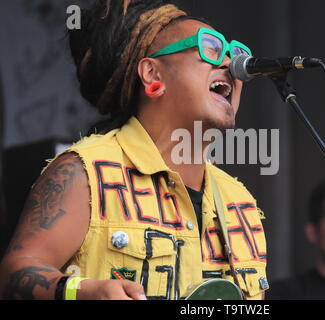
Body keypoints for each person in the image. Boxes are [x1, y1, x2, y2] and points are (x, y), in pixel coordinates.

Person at [0, 0, 267, 300]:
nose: (231, 65)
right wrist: (83, 291)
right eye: (212, 48)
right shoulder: (86, 173)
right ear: (153, 75)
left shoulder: (240, 203)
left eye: (234, 54)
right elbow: (15, 272)